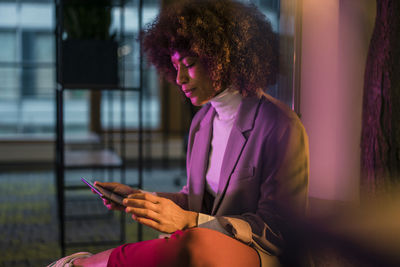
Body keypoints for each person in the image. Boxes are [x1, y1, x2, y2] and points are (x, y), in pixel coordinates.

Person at [49, 0, 309, 266]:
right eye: (175, 67)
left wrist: (190, 221)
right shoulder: (203, 122)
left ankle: (82, 264)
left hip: (262, 254)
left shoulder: (279, 125)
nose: (180, 78)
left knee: (193, 242)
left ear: (223, 57)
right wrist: (140, 198)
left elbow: (278, 231)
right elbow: (195, 201)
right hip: (210, 243)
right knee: (187, 243)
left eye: (189, 63)